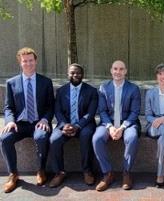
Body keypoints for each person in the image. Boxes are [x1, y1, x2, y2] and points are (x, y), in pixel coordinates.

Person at [0, 47, 54, 193]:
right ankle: (13, 174)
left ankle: (41, 170)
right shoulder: (12, 82)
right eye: (25, 61)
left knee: (42, 137)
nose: (28, 63)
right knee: (4, 138)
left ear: (35, 61)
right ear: (20, 62)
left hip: (38, 123)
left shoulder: (46, 82)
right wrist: (10, 121)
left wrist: (44, 119)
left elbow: (50, 106)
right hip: (19, 124)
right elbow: (8, 107)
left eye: (31, 60)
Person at [92, 60, 141, 191]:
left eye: (121, 69)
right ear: (111, 70)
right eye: (115, 69)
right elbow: (102, 111)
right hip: (108, 123)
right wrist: (111, 127)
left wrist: (122, 128)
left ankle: (126, 172)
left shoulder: (133, 89)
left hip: (128, 124)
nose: (118, 72)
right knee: (97, 138)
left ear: (125, 71)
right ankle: (108, 173)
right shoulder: (104, 88)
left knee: (132, 138)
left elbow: (135, 112)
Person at [48, 63, 98, 188]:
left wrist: (77, 126)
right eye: (72, 73)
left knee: (86, 136)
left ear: (83, 75)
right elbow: (58, 111)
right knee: (54, 139)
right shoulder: (61, 91)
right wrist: (65, 125)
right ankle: (59, 172)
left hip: (84, 124)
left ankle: (87, 170)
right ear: (68, 74)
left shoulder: (91, 91)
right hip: (65, 124)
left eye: (78, 73)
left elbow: (91, 113)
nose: (75, 75)